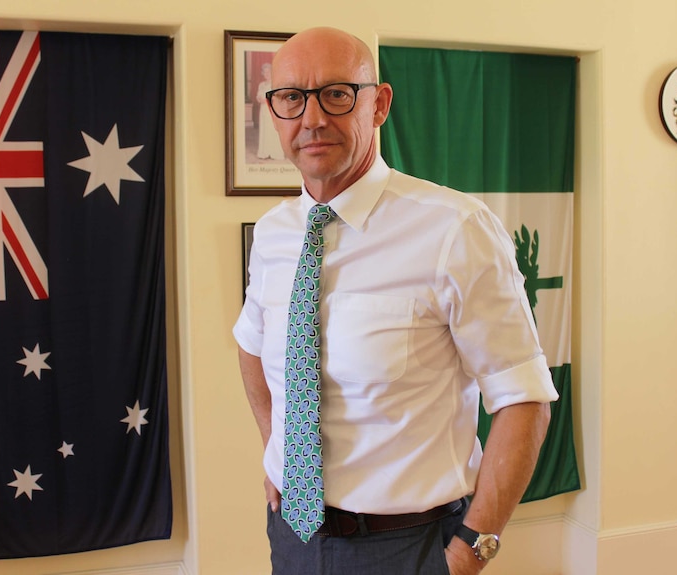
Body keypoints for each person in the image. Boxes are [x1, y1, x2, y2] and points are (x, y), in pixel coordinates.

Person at [233, 26, 558, 575]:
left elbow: (524, 400)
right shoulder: (274, 233)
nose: (312, 118)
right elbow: (251, 346)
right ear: (274, 111)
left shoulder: (456, 229)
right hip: (292, 537)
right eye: (291, 98)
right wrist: (278, 456)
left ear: (378, 104)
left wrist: (471, 550)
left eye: (337, 94)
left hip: (410, 548)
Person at [256, 62, 286, 160]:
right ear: (262, 73)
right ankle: (264, 152)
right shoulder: (261, 85)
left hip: (271, 110)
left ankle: (275, 153)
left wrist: (266, 100)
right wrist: (259, 99)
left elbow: (277, 97)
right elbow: (258, 96)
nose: (266, 74)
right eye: (264, 72)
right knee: (264, 130)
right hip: (263, 110)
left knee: (272, 130)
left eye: (268, 72)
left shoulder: (275, 84)